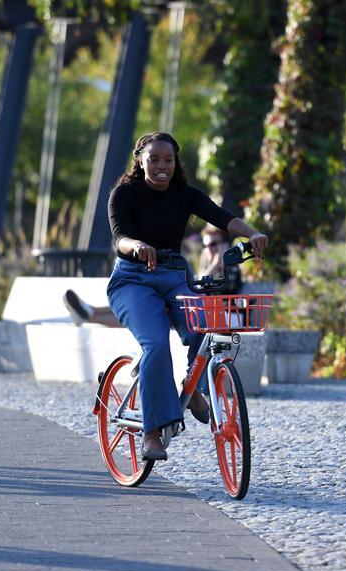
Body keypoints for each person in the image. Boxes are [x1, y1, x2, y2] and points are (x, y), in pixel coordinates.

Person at [105, 131, 267, 461]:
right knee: (155, 344)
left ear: (176, 162)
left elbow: (223, 217)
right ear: (141, 161)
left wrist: (253, 233)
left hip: (176, 276)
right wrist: (135, 246)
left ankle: (193, 392)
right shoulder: (124, 193)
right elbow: (119, 237)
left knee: (205, 330)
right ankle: (152, 432)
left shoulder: (184, 194)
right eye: (154, 160)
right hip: (133, 281)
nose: (162, 166)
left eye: (168, 160)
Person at [62, 225, 242, 327]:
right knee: (144, 307)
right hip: (196, 312)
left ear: (225, 244)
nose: (209, 250)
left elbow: (208, 290)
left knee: (148, 313)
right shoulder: (210, 264)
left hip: (221, 316)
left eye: (214, 245)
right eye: (207, 246)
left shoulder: (230, 268)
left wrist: (216, 265)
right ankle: (90, 311)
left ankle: (89, 314)